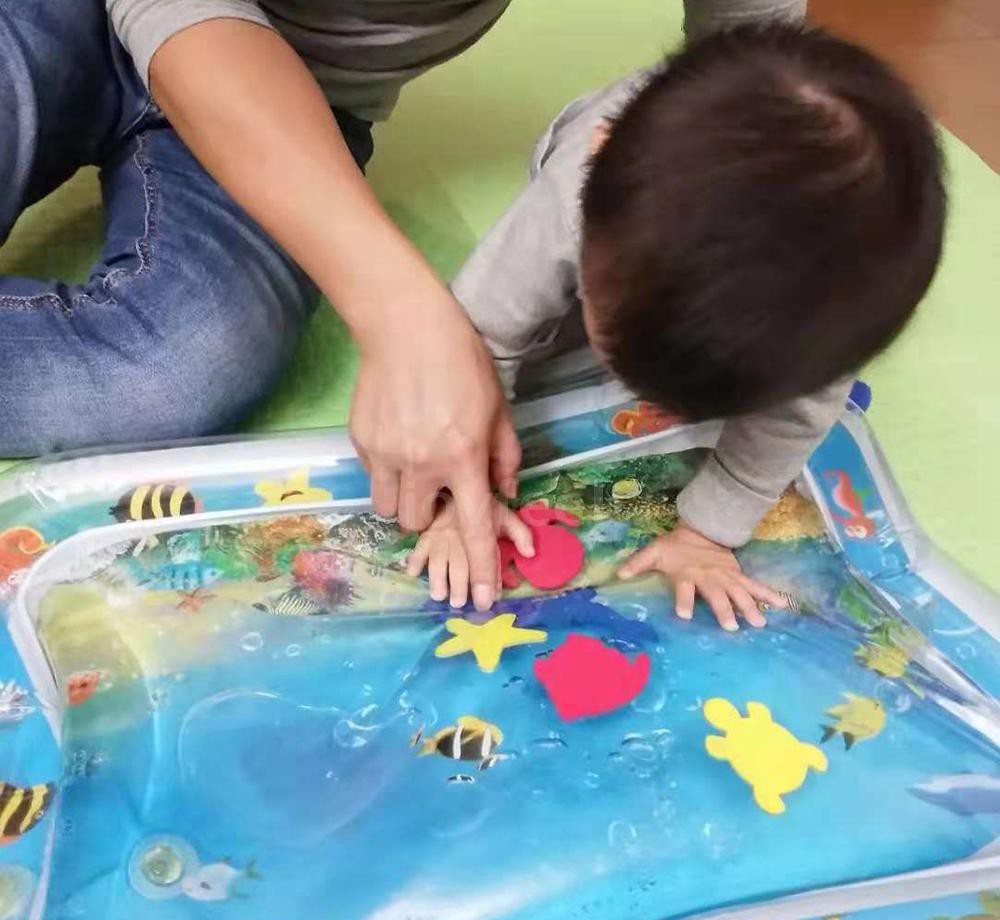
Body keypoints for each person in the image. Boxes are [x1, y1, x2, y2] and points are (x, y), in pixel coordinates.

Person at [0, 0, 808, 613]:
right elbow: (491, 324)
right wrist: (409, 321)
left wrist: (709, 528)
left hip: (298, 97)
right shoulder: (575, 198)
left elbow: (757, 61)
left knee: (175, 368)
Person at [407, 24, 945, 629]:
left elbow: (795, 416)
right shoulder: (575, 195)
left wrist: (708, 533)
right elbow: (480, 333)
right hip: (585, 180)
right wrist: (466, 495)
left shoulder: (843, 300)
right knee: (525, 344)